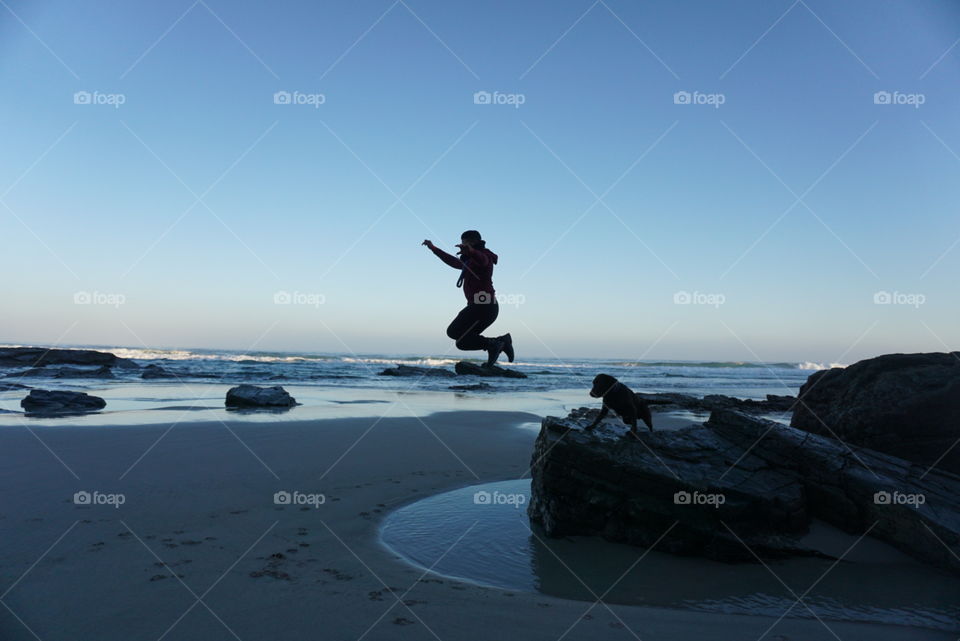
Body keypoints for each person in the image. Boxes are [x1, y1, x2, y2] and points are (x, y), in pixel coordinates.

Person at [422, 230, 514, 366]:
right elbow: (453, 262)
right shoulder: (469, 262)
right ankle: (497, 343)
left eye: (464, 242)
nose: (462, 245)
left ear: (473, 242)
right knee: (462, 342)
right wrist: (434, 249)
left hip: (485, 306)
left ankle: (497, 343)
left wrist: (471, 252)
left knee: (453, 331)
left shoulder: (485, 256)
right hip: (479, 307)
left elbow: (483, 261)